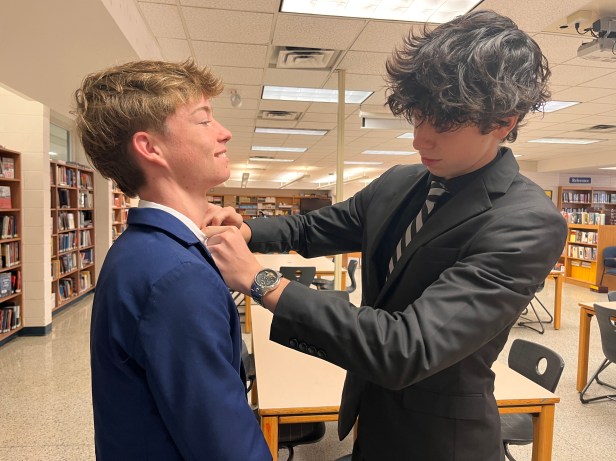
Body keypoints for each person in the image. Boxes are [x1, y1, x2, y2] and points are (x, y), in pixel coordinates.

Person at [204, 10, 567, 461]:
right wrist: (245, 230)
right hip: (373, 414)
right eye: (417, 117)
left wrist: (263, 283)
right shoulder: (400, 182)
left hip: (439, 442)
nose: (420, 140)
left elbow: (407, 347)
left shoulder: (527, 222)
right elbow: (312, 227)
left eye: (444, 124)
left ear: (503, 122)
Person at [73, 60, 271, 461]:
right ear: (150, 148)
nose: (224, 132)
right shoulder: (178, 276)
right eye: (204, 120)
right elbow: (226, 446)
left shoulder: (141, 250)